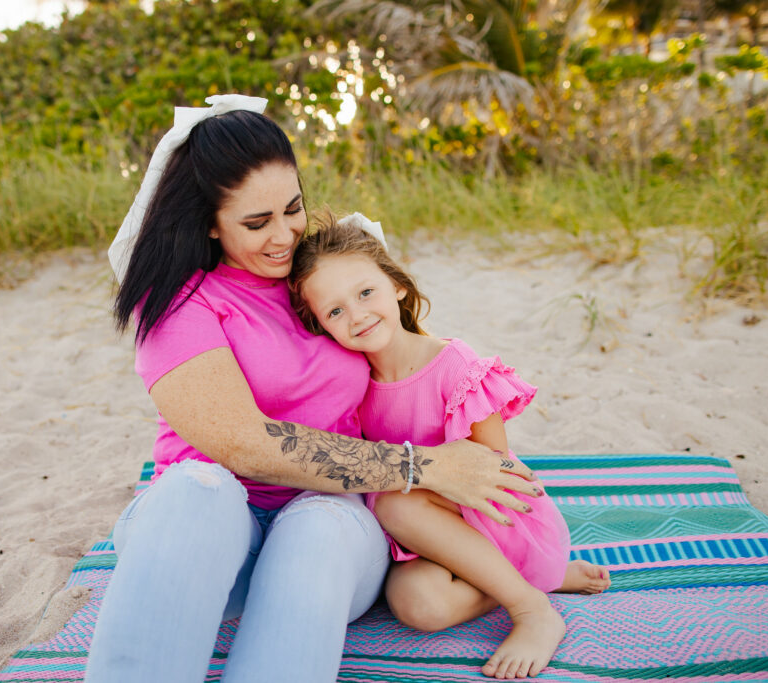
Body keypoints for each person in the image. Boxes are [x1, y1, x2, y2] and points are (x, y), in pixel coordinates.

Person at [85, 95, 541, 683]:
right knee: (197, 490)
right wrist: (421, 466)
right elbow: (244, 445)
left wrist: (469, 458)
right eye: (256, 223)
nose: (284, 235)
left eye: (292, 208)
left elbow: (413, 364)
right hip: (216, 544)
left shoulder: (323, 275)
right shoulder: (181, 303)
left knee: (316, 529)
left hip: (333, 529)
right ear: (208, 221)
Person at [288, 213, 611, 680]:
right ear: (321, 324)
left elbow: (497, 474)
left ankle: (532, 607)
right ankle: (544, 574)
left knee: (397, 505)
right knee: (418, 606)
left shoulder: (453, 367)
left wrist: (413, 501)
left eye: (365, 293)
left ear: (396, 286)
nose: (356, 315)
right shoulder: (350, 383)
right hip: (422, 541)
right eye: (335, 311)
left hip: (490, 513)